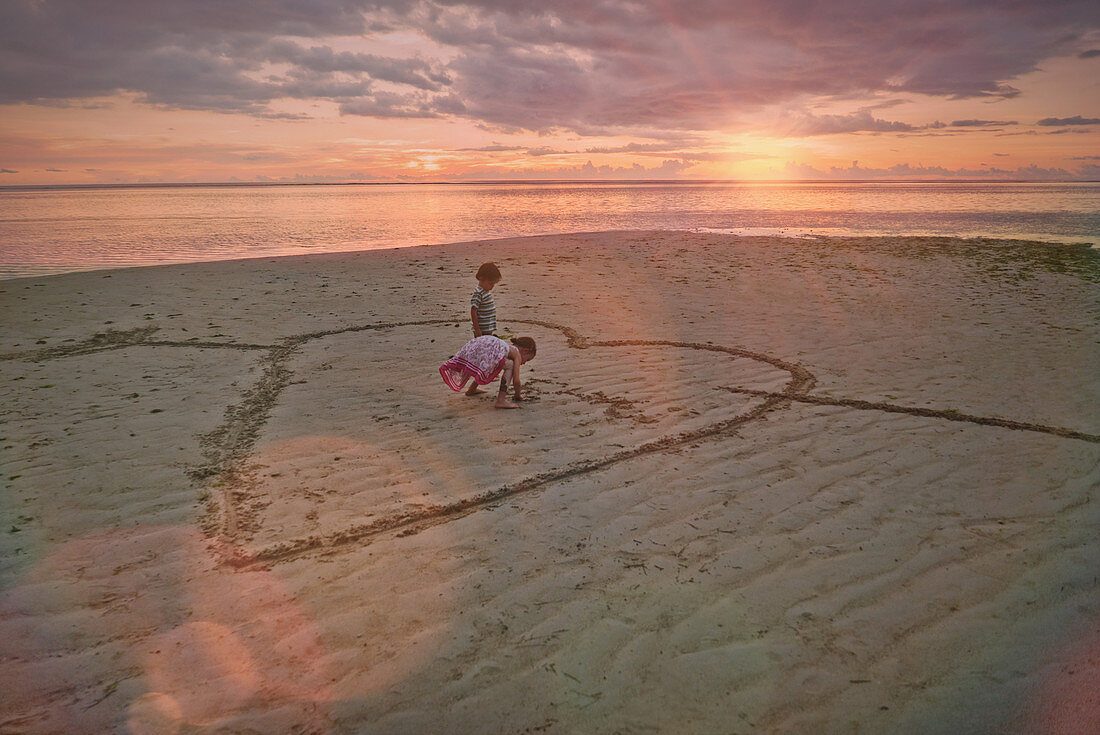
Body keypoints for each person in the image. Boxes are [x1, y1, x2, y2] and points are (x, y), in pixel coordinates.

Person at [440, 335, 536, 409]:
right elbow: (516, 381)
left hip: (481, 344)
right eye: (527, 360)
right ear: (525, 351)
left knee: (487, 366)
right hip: (488, 348)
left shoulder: (506, 348)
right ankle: (501, 400)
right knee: (510, 365)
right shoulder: (516, 354)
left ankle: (471, 389)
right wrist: (518, 395)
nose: (523, 363)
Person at [470, 262, 501, 338]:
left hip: (487, 327)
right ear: (481, 278)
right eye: (490, 283)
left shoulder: (485, 291)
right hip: (482, 329)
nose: (492, 286)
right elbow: (473, 311)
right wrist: (477, 329)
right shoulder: (478, 293)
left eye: (494, 284)